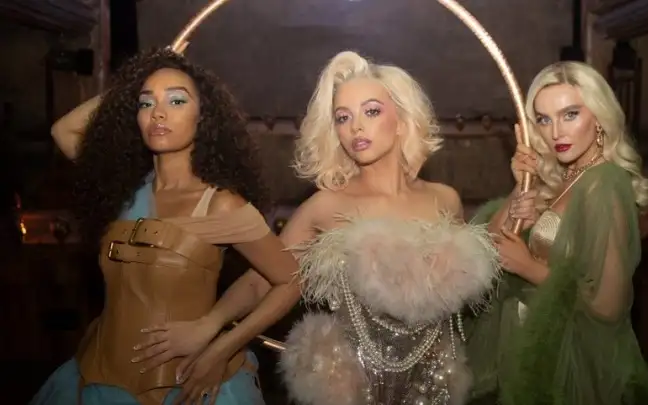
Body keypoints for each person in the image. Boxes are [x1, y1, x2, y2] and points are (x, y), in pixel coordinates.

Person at [31, 48, 299, 405]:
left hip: (184, 388)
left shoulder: (221, 203)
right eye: (146, 103)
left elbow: (291, 280)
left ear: (203, 117)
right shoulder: (124, 190)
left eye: (176, 101)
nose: (158, 112)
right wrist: (136, 82)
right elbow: (63, 130)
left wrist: (217, 343)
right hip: (96, 381)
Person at [275, 51, 500, 405]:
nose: (356, 128)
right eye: (343, 117)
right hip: (352, 389)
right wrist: (213, 330)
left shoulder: (445, 200)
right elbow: (263, 280)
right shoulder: (326, 206)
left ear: (401, 120)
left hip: (435, 387)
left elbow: (479, 285)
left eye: (371, 111)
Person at [465, 61, 648, 405]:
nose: (556, 132)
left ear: (599, 117)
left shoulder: (604, 183)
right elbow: (490, 245)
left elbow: (609, 305)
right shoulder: (567, 178)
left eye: (570, 114)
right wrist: (523, 185)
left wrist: (528, 266)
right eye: (544, 119)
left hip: (567, 361)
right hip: (531, 344)